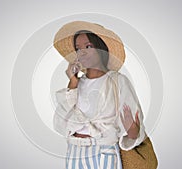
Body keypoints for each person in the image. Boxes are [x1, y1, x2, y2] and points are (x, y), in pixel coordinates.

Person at [53, 21, 147, 169]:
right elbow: (61, 121)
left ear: (101, 49)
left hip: (103, 152)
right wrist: (72, 81)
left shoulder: (118, 81)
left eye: (88, 46)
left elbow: (135, 130)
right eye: (78, 49)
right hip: (74, 152)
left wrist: (132, 130)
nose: (81, 52)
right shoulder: (77, 84)